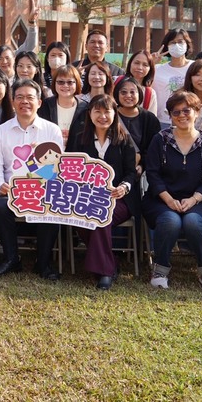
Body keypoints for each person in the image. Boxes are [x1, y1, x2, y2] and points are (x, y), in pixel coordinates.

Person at [142, 91, 202, 292]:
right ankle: (160, 270)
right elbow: (152, 174)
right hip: (161, 200)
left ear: (197, 112)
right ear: (170, 116)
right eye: (175, 112)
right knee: (171, 221)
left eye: (186, 110)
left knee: (193, 221)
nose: (181, 115)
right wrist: (168, 200)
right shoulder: (160, 140)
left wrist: (194, 199)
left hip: (199, 201)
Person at [0, 79, 65, 280]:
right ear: (12, 101)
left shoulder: (51, 130)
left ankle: (43, 262)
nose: (24, 102)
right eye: (19, 97)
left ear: (39, 102)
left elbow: (57, 167)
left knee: (51, 207)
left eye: (30, 97)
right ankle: (11, 259)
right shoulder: (1, 131)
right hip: (12, 191)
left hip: (43, 189)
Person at [65, 94, 139, 290]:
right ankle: (110, 261)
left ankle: (105, 272)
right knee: (82, 218)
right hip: (86, 197)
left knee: (100, 216)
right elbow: (70, 169)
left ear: (115, 114)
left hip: (119, 199)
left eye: (107, 111)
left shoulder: (125, 140)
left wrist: (124, 187)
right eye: (97, 111)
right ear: (89, 114)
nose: (102, 116)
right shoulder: (80, 139)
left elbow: (131, 173)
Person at [112, 77, 161, 167]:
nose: (128, 95)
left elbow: (154, 148)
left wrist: (142, 165)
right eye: (123, 92)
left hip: (139, 168)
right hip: (113, 168)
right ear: (116, 94)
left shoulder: (150, 119)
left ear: (139, 94)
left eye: (132, 92)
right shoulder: (110, 116)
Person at [152, 28, 194, 126]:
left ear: (187, 44)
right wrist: (150, 63)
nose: (176, 45)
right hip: (162, 121)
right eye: (173, 42)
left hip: (188, 120)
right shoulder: (157, 69)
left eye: (180, 42)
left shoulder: (194, 67)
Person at [37, 65, 87, 146]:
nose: (65, 85)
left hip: (77, 153)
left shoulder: (85, 108)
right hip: (49, 152)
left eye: (70, 82)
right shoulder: (44, 106)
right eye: (61, 82)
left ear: (77, 83)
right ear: (54, 83)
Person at [117, 49, 158, 115]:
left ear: (150, 68)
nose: (140, 67)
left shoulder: (150, 94)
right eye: (137, 63)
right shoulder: (116, 82)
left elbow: (151, 119)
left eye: (145, 65)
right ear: (130, 64)